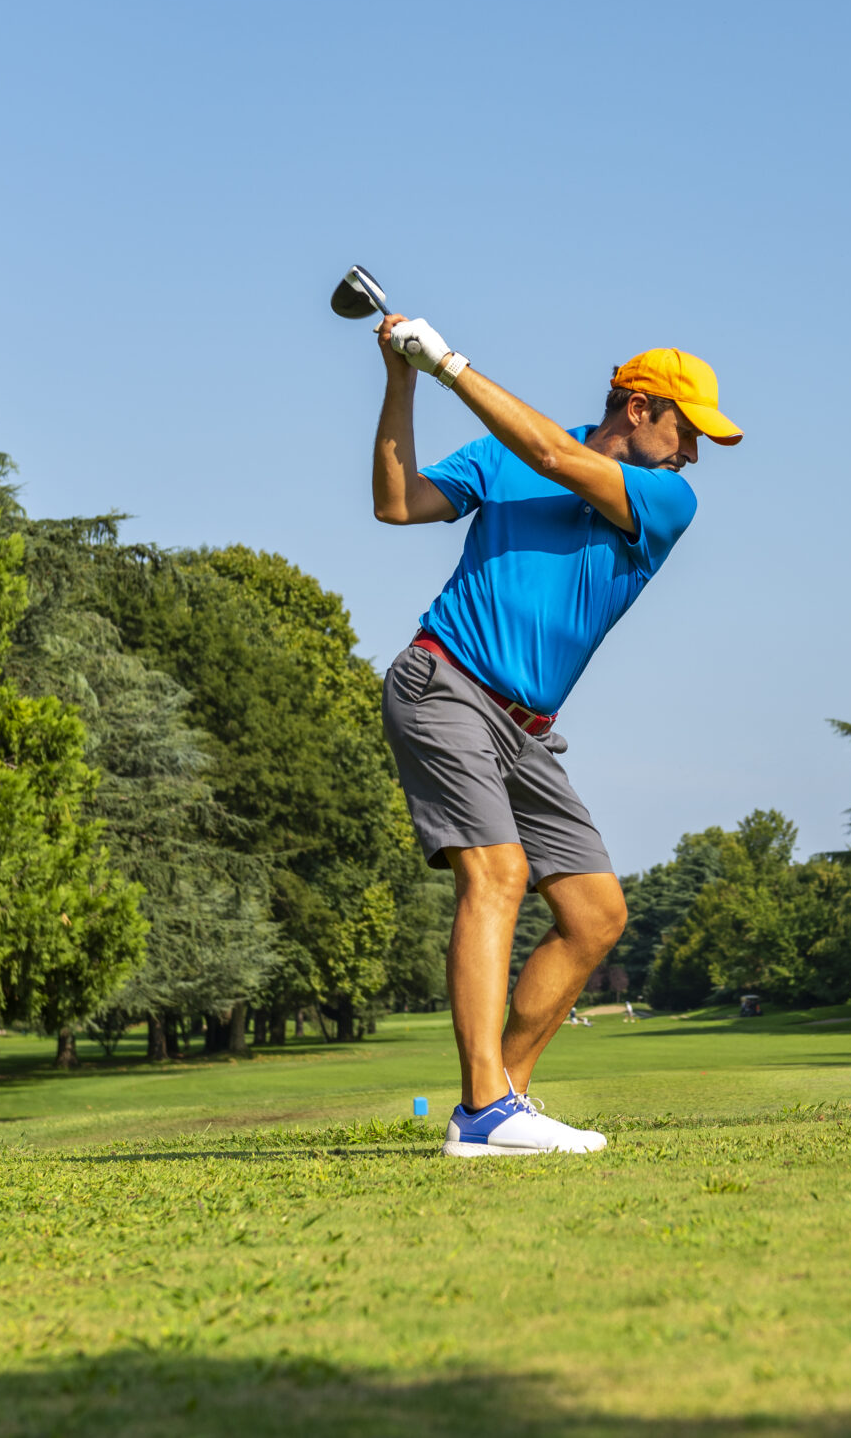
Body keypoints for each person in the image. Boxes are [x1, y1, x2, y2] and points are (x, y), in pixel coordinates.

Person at [369, 307, 738, 1156]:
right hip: (446, 683)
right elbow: (397, 502)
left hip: (527, 730)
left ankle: (501, 1099)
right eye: (688, 430)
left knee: (595, 915)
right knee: (497, 876)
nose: (693, 454)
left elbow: (556, 457)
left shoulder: (664, 498)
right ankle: (485, 1110)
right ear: (639, 407)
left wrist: (449, 364)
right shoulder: (509, 449)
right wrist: (402, 377)